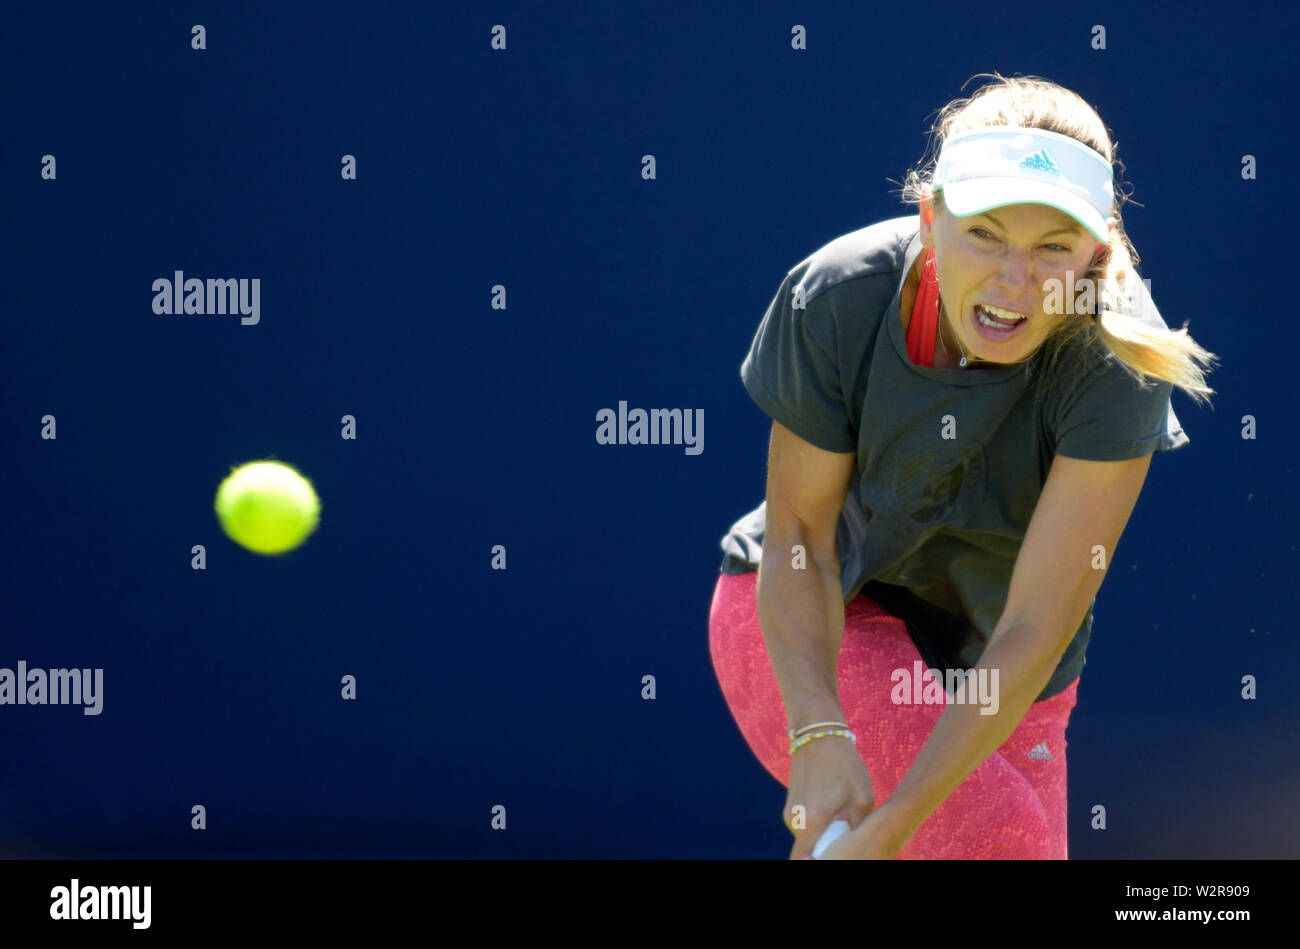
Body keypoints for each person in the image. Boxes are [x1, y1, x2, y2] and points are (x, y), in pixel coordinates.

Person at [707, 73, 1218, 860]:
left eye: (1053, 246)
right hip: (818, 619)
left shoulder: (1121, 361)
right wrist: (816, 726)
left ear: (1098, 252)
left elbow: (1033, 624)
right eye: (984, 233)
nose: (1016, 280)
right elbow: (800, 531)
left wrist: (898, 822)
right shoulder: (837, 295)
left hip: (1013, 671)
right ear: (929, 215)